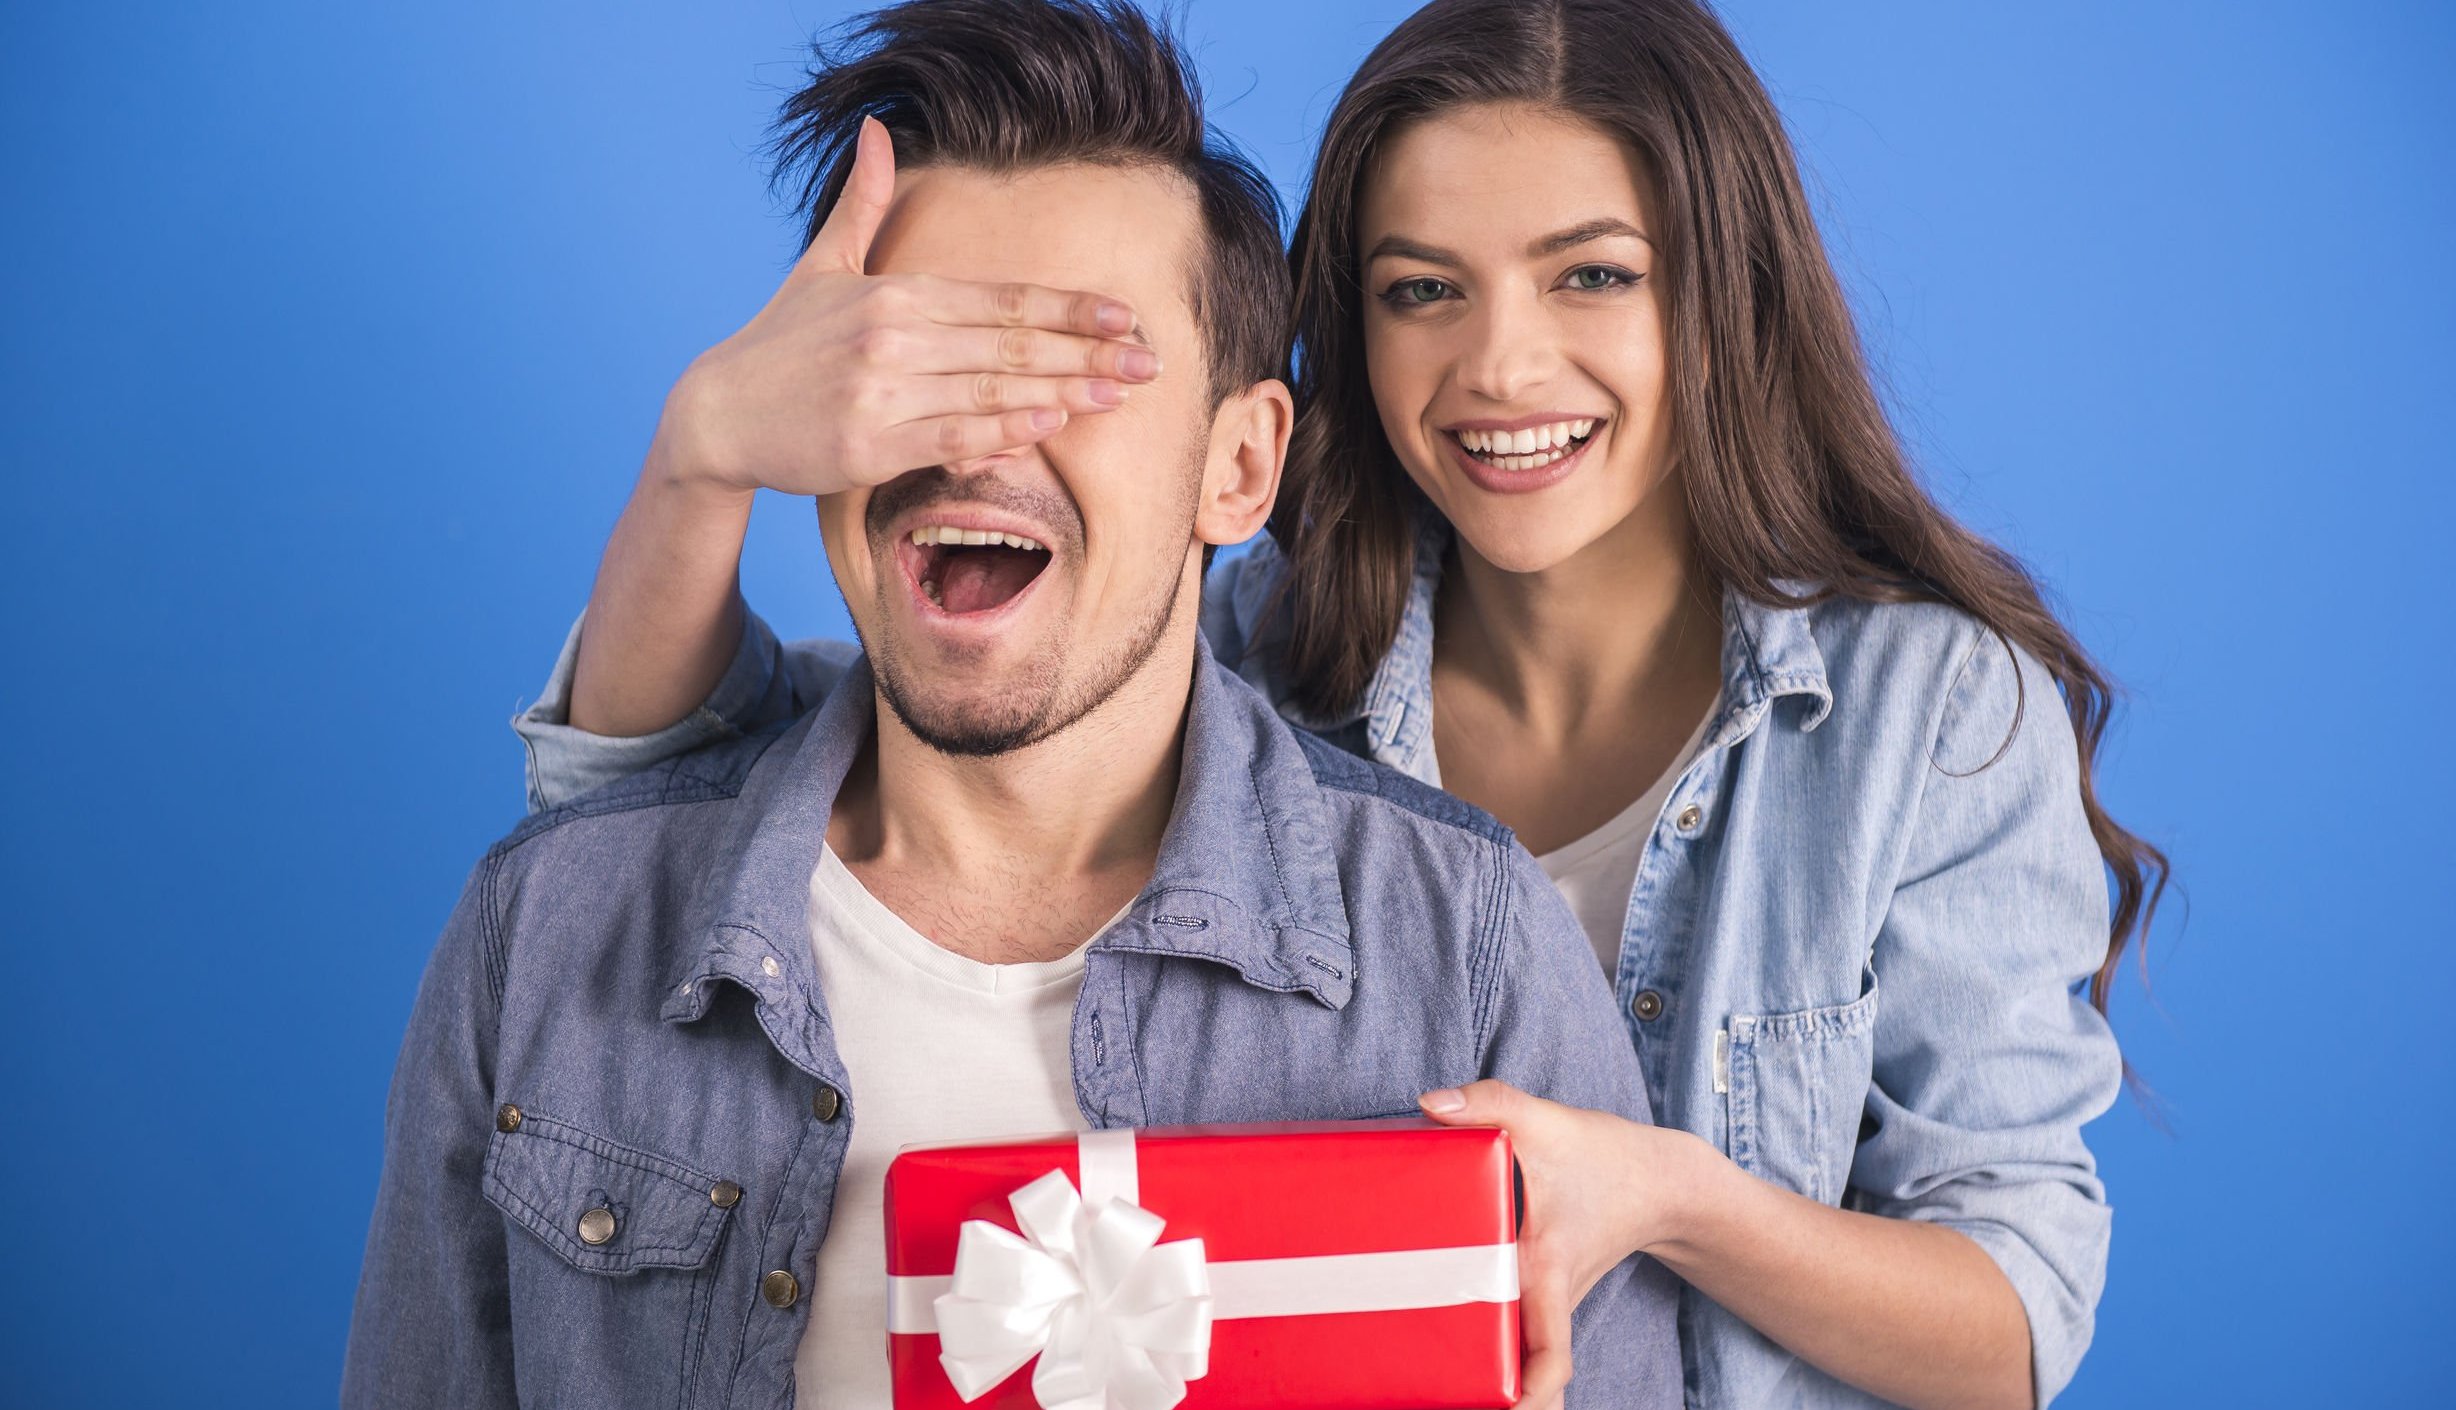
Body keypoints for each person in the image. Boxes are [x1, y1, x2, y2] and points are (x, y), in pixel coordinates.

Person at [517, 0, 2178, 1406]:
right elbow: (675, 786)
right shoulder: (1247, 645)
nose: (1501, 368)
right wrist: (707, 448)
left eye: (1591, 276)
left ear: (1715, 296)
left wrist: (1663, 1196)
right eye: (1420, 289)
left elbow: (2015, 1311)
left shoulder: (1928, 714)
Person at [342, 3, 1687, 1407]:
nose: (979, 433)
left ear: (1238, 467)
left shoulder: (1468, 952)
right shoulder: (542, 933)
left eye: (1075, 366)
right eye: (913, 363)